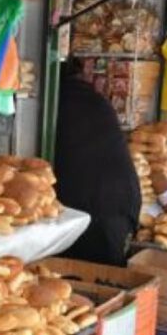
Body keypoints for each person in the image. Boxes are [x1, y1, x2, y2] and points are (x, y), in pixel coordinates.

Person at [53, 58, 141, 266]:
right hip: (119, 205)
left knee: (91, 281)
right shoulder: (94, 100)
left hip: (97, 211)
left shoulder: (57, 103)